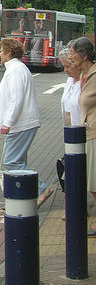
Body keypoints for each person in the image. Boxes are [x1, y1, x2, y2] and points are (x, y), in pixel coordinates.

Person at [0, 37, 52, 207]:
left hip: (20, 124)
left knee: (11, 162)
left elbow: (16, 99)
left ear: (9, 53)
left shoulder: (15, 71)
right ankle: (23, 201)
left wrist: (8, 122)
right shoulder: (16, 69)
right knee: (19, 162)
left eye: (1, 51)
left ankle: (41, 189)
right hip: (22, 123)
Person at [69, 37, 96, 236]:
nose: (70, 56)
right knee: (92, 183)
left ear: (84, 55)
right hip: (88, 133)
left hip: (95, 133)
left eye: (72, 52)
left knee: (94, 183)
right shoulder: (85, 76)